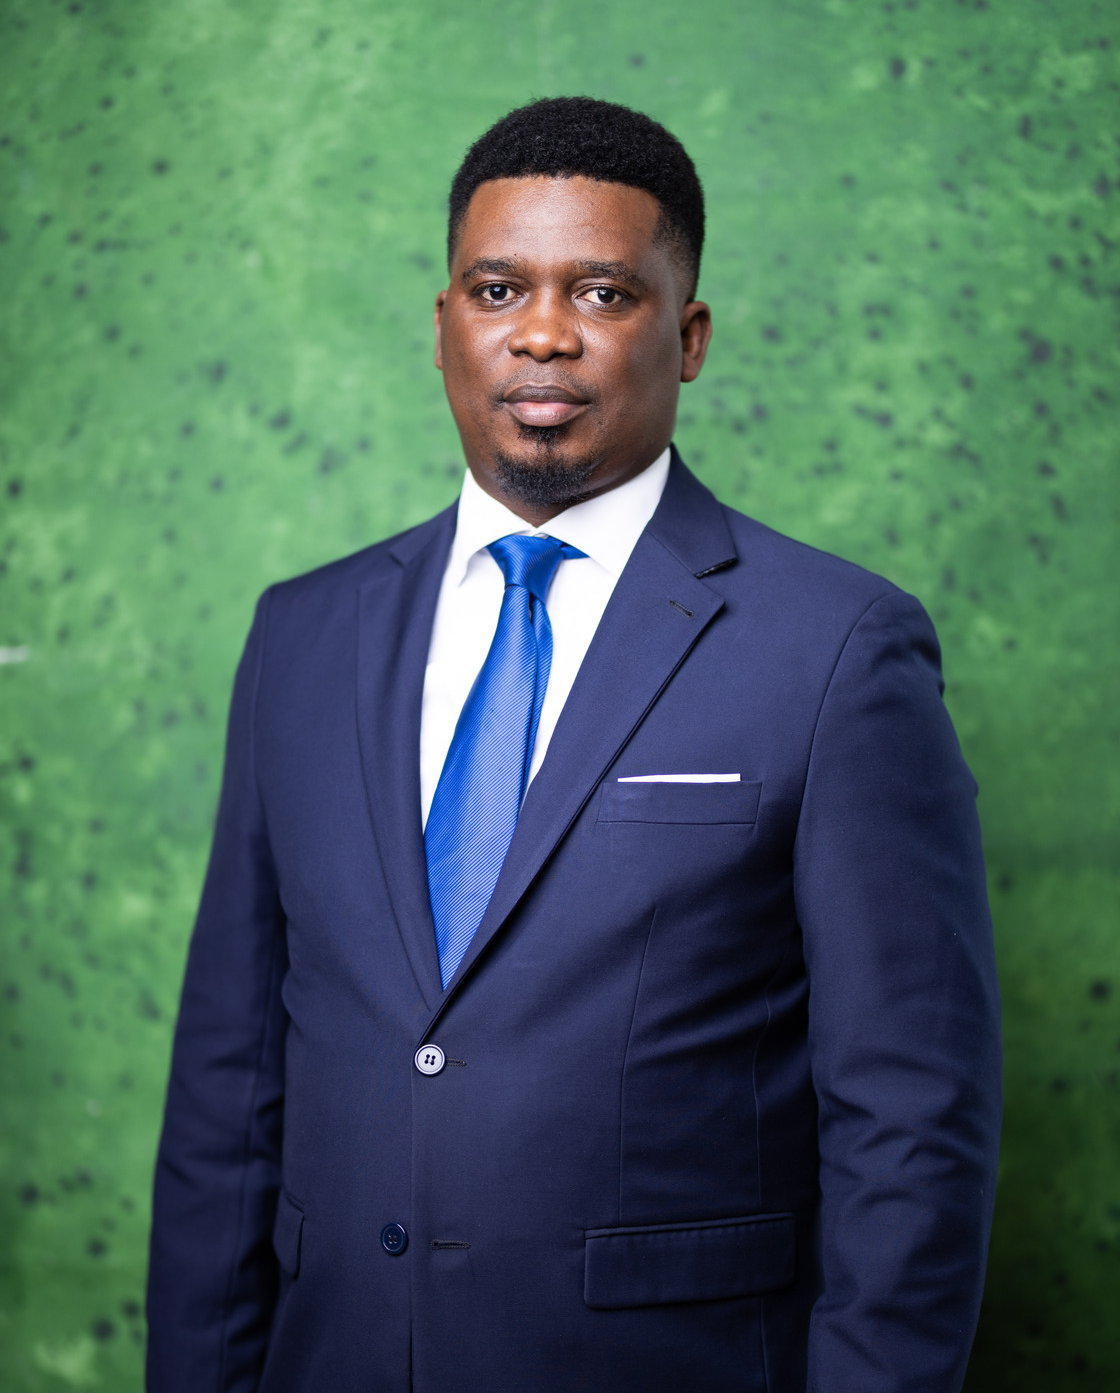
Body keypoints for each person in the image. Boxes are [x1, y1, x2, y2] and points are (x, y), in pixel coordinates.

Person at [146, 97, 1001, 1393]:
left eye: (602, 293)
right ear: (445, 325)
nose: (543, 333)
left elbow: (915, 1123)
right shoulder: (302, 637)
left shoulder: (836, 650)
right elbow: (230, 1088)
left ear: (688, 336)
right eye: (499, 290)